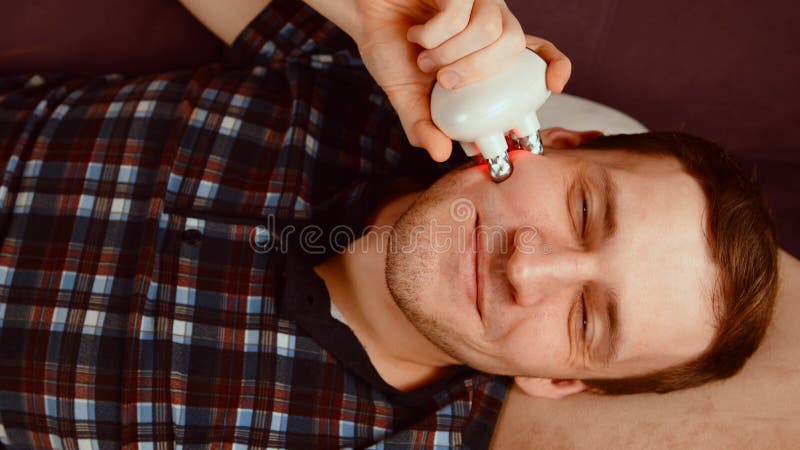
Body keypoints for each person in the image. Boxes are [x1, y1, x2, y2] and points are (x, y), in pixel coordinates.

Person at [0, 0, 778, 449]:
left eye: (586, 317)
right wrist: (377, 5)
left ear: (556, 381)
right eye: (582, 212)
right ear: (557, 143)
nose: (528, 270)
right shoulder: (361, 79)